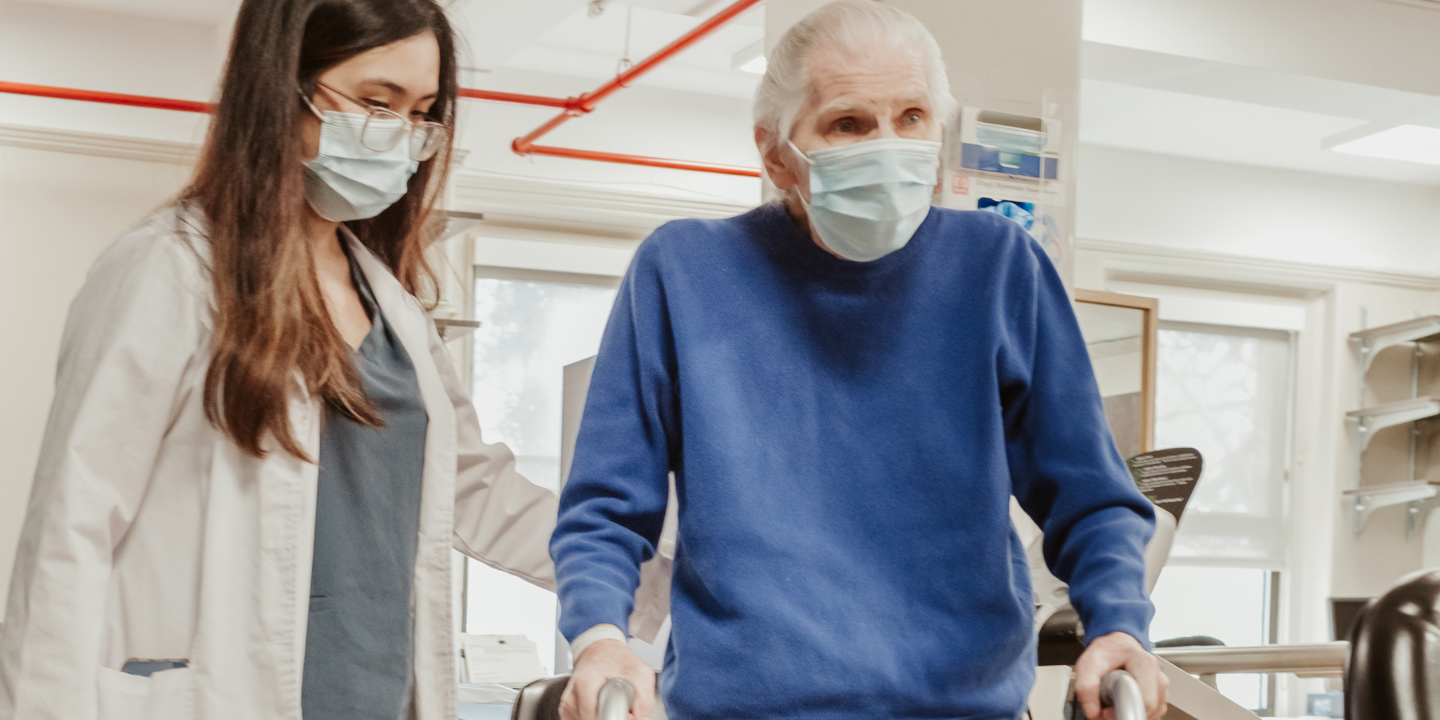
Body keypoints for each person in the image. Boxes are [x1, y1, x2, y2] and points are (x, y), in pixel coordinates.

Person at [550, 2, 1169, 720]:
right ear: (777, 154)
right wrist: (599, 637)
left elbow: (1089, 494)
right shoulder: (684, 271)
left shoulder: (1000, 267)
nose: (889, 144)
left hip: (959, 705)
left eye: (912, 117)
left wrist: (1120, 622)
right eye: (848, 123)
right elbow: (604, 507)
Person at [0, 2, 557, 719]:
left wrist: (675, 572)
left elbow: (480, 493)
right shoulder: (171, 270)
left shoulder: (394, 310)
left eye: (421, 114)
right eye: (374, 103)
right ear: (280, 89)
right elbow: (70, 532)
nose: (400, 137)